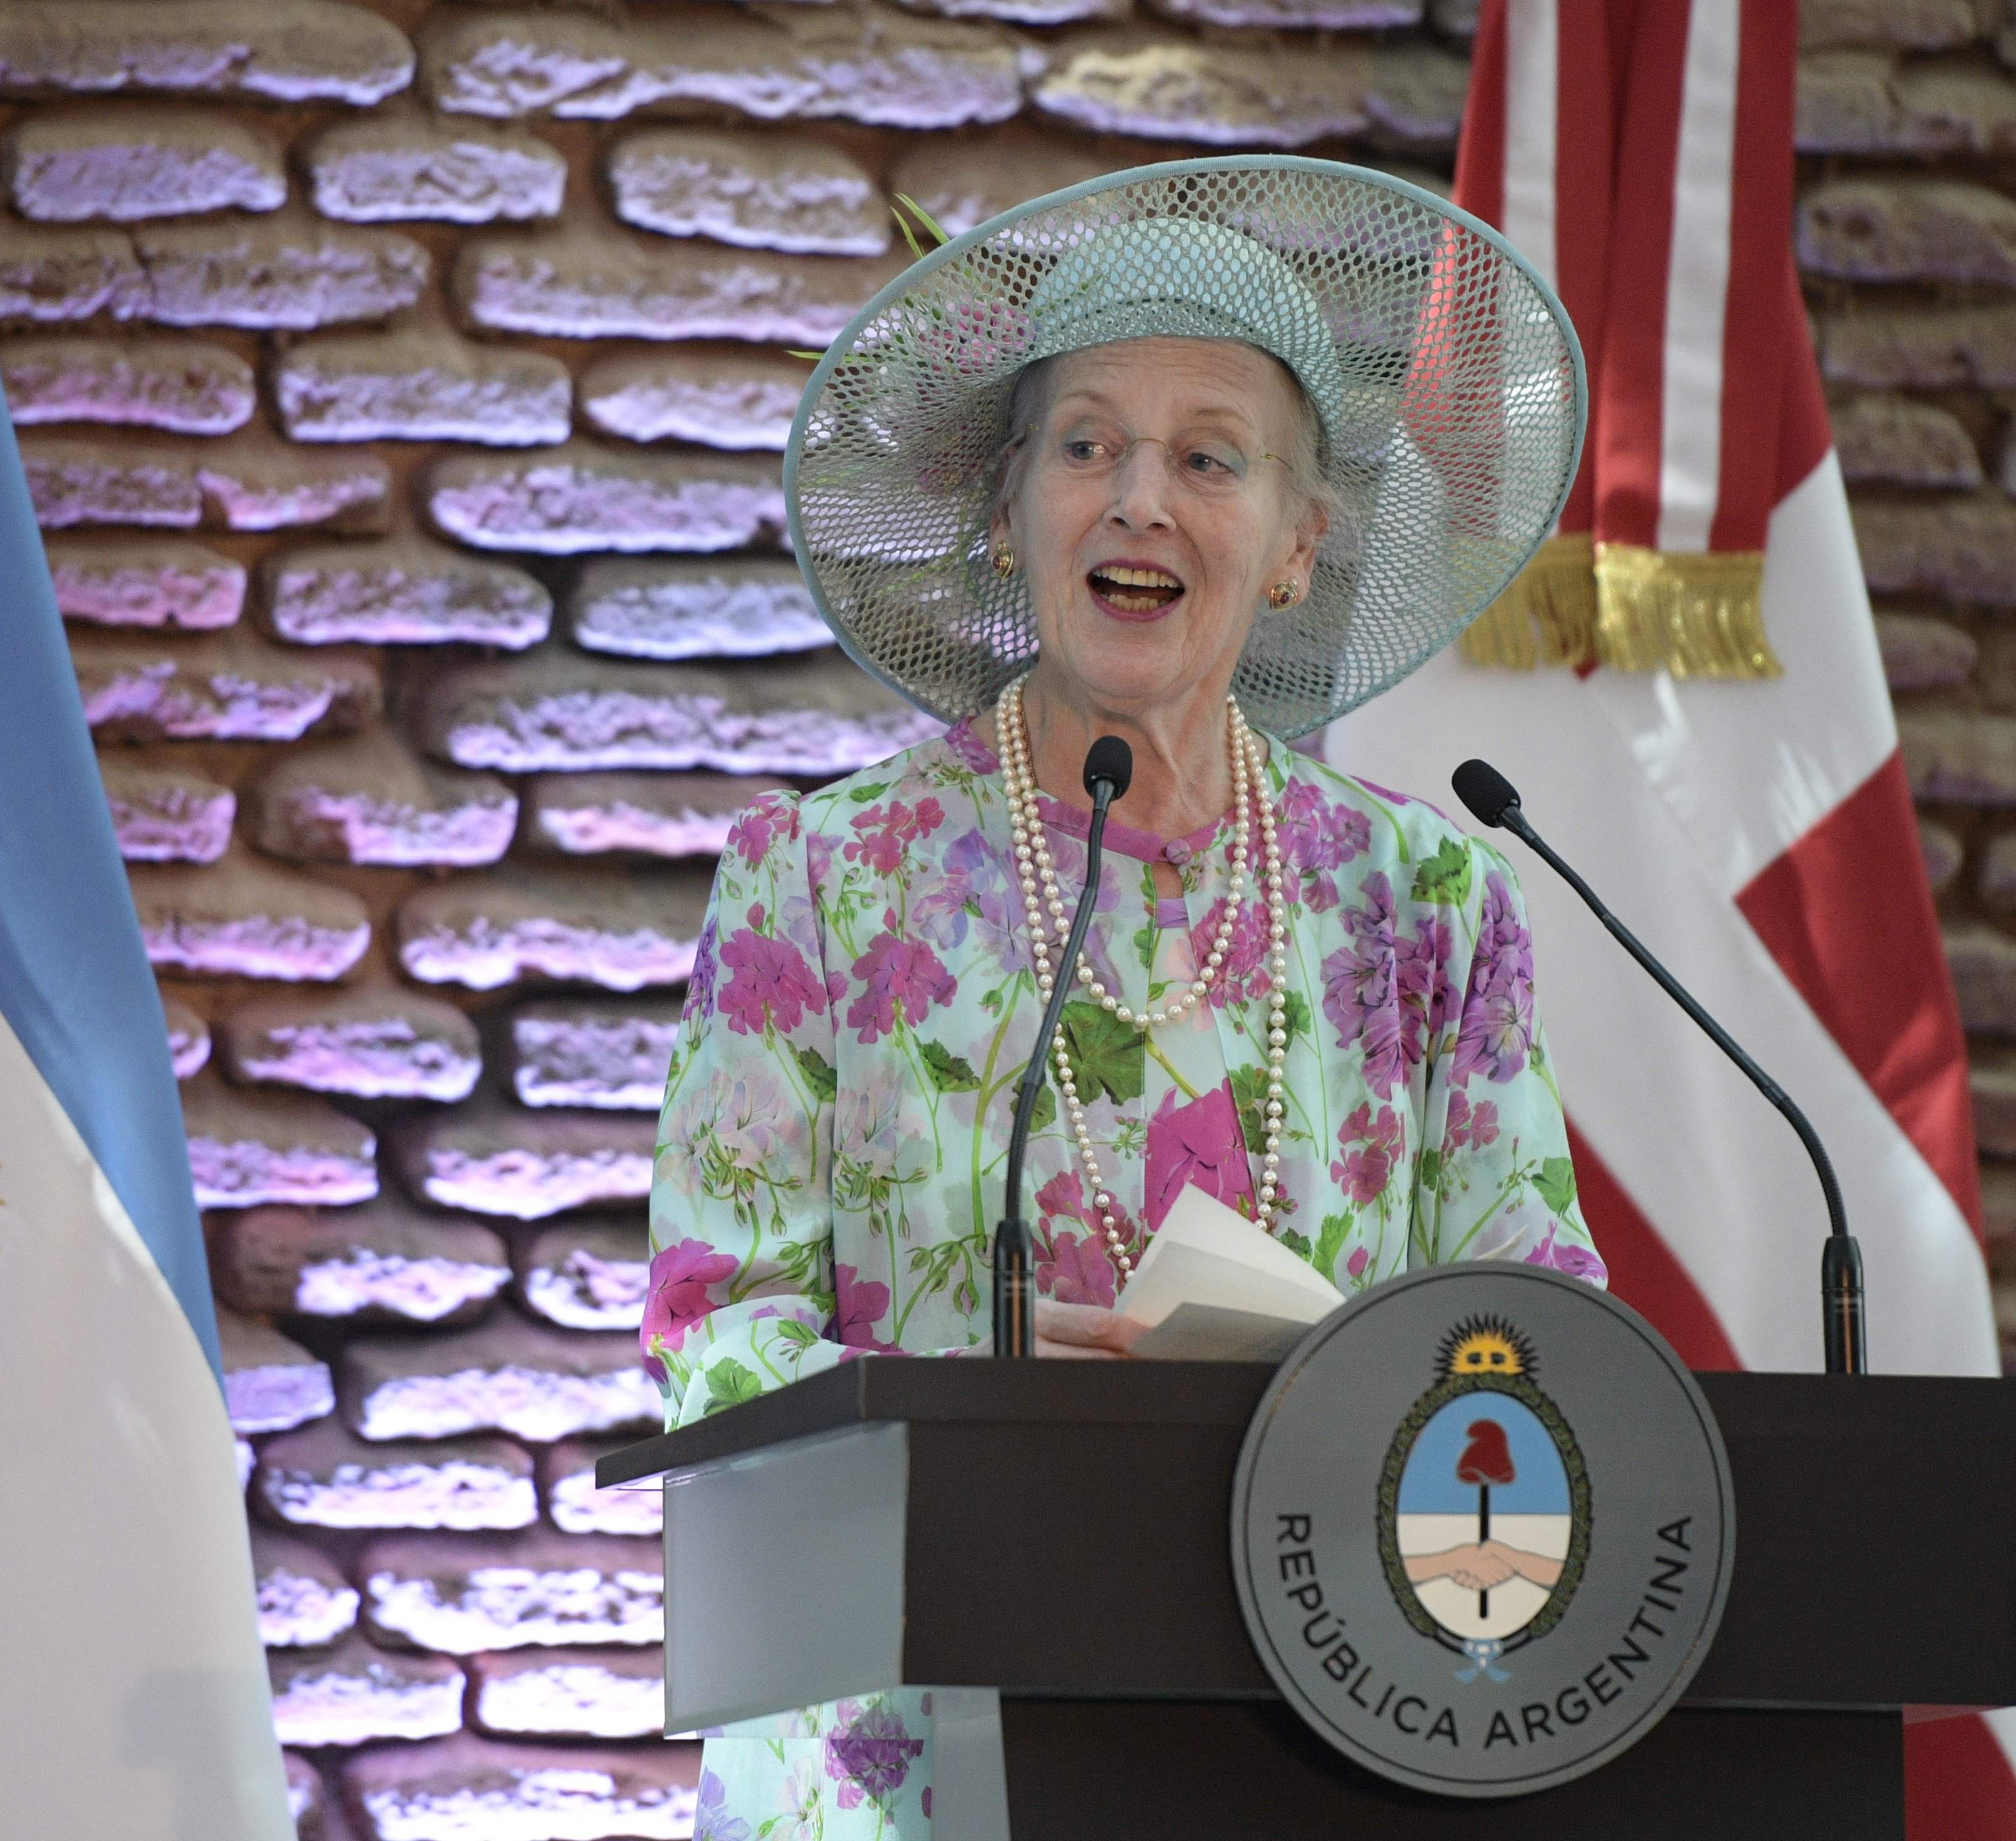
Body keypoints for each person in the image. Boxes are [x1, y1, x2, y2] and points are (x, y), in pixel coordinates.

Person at [647, 158, 1606, 1837]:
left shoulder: (1430, 899)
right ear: (1009, 509)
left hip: (1326, 1734)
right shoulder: (816, 881)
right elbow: (710, 1335)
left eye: (1209, 458)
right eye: (1086, 446)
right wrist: (963, 1388)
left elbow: (1537, 1330)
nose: (1139, 498)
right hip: (904, 1763)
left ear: (1298, 545)